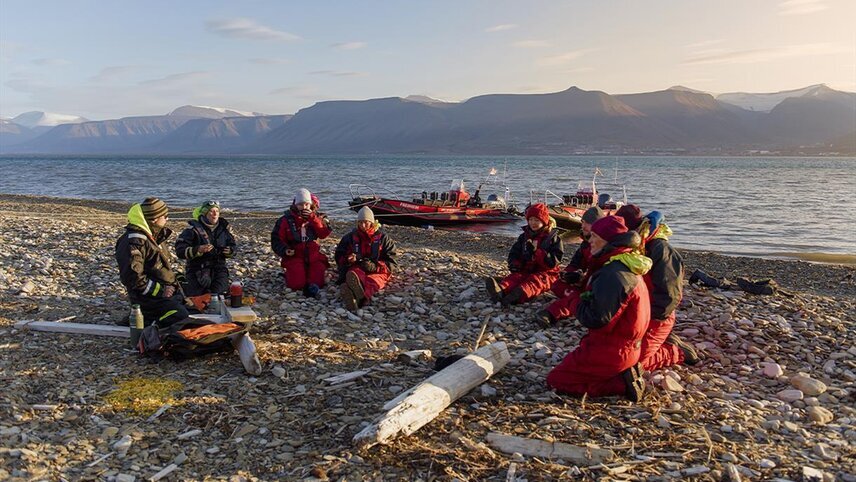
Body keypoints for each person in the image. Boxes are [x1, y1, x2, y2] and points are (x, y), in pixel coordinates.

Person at [545, 216, 652, 402]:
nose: (589, 240)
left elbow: (595, 318)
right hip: (626, 346)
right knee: (567, 371)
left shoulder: (613, 274)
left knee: (556, 380)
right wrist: (581, 284)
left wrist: (573, 299)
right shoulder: (625, 264)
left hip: (612, 350)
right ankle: (621, 374)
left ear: (608, 240)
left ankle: (621, 384)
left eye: (594, 236)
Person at [616, 205, 699, 369]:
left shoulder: (661, 250)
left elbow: (669, 296)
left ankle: (675, 352)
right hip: (638, 311)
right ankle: (662, 339)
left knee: (634, 364)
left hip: (657, 316)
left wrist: (649, 319)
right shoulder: (635, 248)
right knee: (616, 354)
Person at [115, 197, 188, 327]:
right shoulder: (134, 242)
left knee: (195, 306)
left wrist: (175, 279)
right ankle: (145, 321)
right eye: (164, 216)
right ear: (154, 219)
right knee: (180, 316)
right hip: (149, 299)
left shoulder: (154, 236)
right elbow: (133, 278)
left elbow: (157, 267)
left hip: (164, 294)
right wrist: (161, 291)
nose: (167, 219)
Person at [536, 206, 605, 326]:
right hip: (585, 282)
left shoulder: (602, 245)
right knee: (557, 285)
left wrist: (583, 278)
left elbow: (603, 274)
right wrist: (569, 274)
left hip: (599, 287)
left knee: (578, 297)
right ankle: (574, 297)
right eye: (582, 222)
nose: (583, 226)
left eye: (587, 223)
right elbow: (575, 263)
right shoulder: (585, 244)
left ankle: (553, 312)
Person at [485, 203, 563, 307]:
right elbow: (514, 252)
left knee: (535, 282)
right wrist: (515, 264)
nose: (533, 223)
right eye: (530, 220)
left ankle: (516, 295)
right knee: (515, 277)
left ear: (544, 221)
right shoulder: (524, 236)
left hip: (546, 272)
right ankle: (500, 290)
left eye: (536, 220)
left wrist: (537, 252)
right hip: (526, 269)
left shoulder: (553, 239)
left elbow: (553, 262)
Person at [270, 188, 332, 297]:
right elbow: (276, 239)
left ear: (311, 204)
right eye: (301, 204)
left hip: (314, 256)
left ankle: (319, 274)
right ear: (295, 205)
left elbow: (324, 234)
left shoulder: (318, 217)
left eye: (307, 204)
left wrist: (313, 219)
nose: (304, 207)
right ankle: (291, 274)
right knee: (296, 285)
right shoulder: (285, 220)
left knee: (317, 283)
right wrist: (285, 250)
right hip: (295, 256)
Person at [334, 207, 397, 311]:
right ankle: (354, 292)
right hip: (358, 267)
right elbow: (339, 256)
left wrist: (375, 267)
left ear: (372, 222)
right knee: (353, 273)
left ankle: (359, 297)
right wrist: (348, 259)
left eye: (366, 222)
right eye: (360, 222)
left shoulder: (383, 239)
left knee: (373, 281)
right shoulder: (349, 238)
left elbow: (392, 262)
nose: (363, 226)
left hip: (378, 270)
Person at [175, 200, 237, 299]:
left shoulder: (224, 230)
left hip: (219, 269)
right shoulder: (192, 230)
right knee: (195, 298)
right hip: (196, 269)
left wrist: (230, 251)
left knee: (219, 296)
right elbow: (180, 251)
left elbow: (233, 247)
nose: (215, 213)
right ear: (205, 214)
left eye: (217, 211)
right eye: (211, 211)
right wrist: (198, 250)